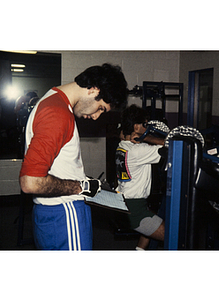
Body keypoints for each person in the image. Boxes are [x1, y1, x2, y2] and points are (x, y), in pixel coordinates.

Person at [19, 63, 128, 250]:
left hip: (53, 213)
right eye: (101, 108)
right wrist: (80, 187)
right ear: (94, 89)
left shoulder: (53, 100)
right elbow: (31, 182)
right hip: (64, 213)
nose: (96, 117)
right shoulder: (57, 113)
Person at [115, 104, 167, 250]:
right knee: (174, 236)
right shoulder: (139, 151)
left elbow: (122, 133)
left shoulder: (122, 145)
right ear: (137, 127)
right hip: (135, 209)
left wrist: (140, 138)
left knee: (153, 220)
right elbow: (170, 145)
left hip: (124, 203)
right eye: (145, 124)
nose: (148, 127)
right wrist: (147, 137)